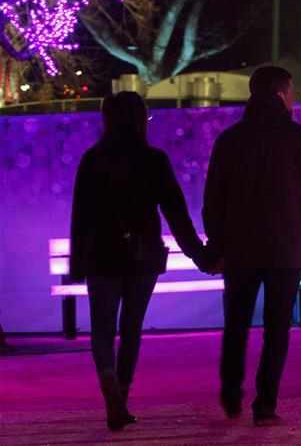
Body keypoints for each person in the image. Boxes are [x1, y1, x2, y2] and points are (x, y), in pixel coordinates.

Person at [70, 92, 216, 431]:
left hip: (101, 257)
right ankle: (122, 394)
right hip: (143, 255)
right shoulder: (154, 160)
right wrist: (201, 256)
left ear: (107, 119)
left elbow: (81, 217)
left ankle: (107, 376)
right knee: (131, 329)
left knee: (102, 330)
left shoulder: (93, 160)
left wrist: (77, 262)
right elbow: (177, 214)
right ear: (140, 120)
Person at [203, 66, 301, 427]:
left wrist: (217, 244)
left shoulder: (230, 140)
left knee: (236, 324)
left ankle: (231, 395)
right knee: (278, 329)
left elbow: (213, 200)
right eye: (291, 92)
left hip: (239, 249)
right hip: (288, 250)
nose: (293, 99)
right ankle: (264, 406)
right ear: (281, 94)